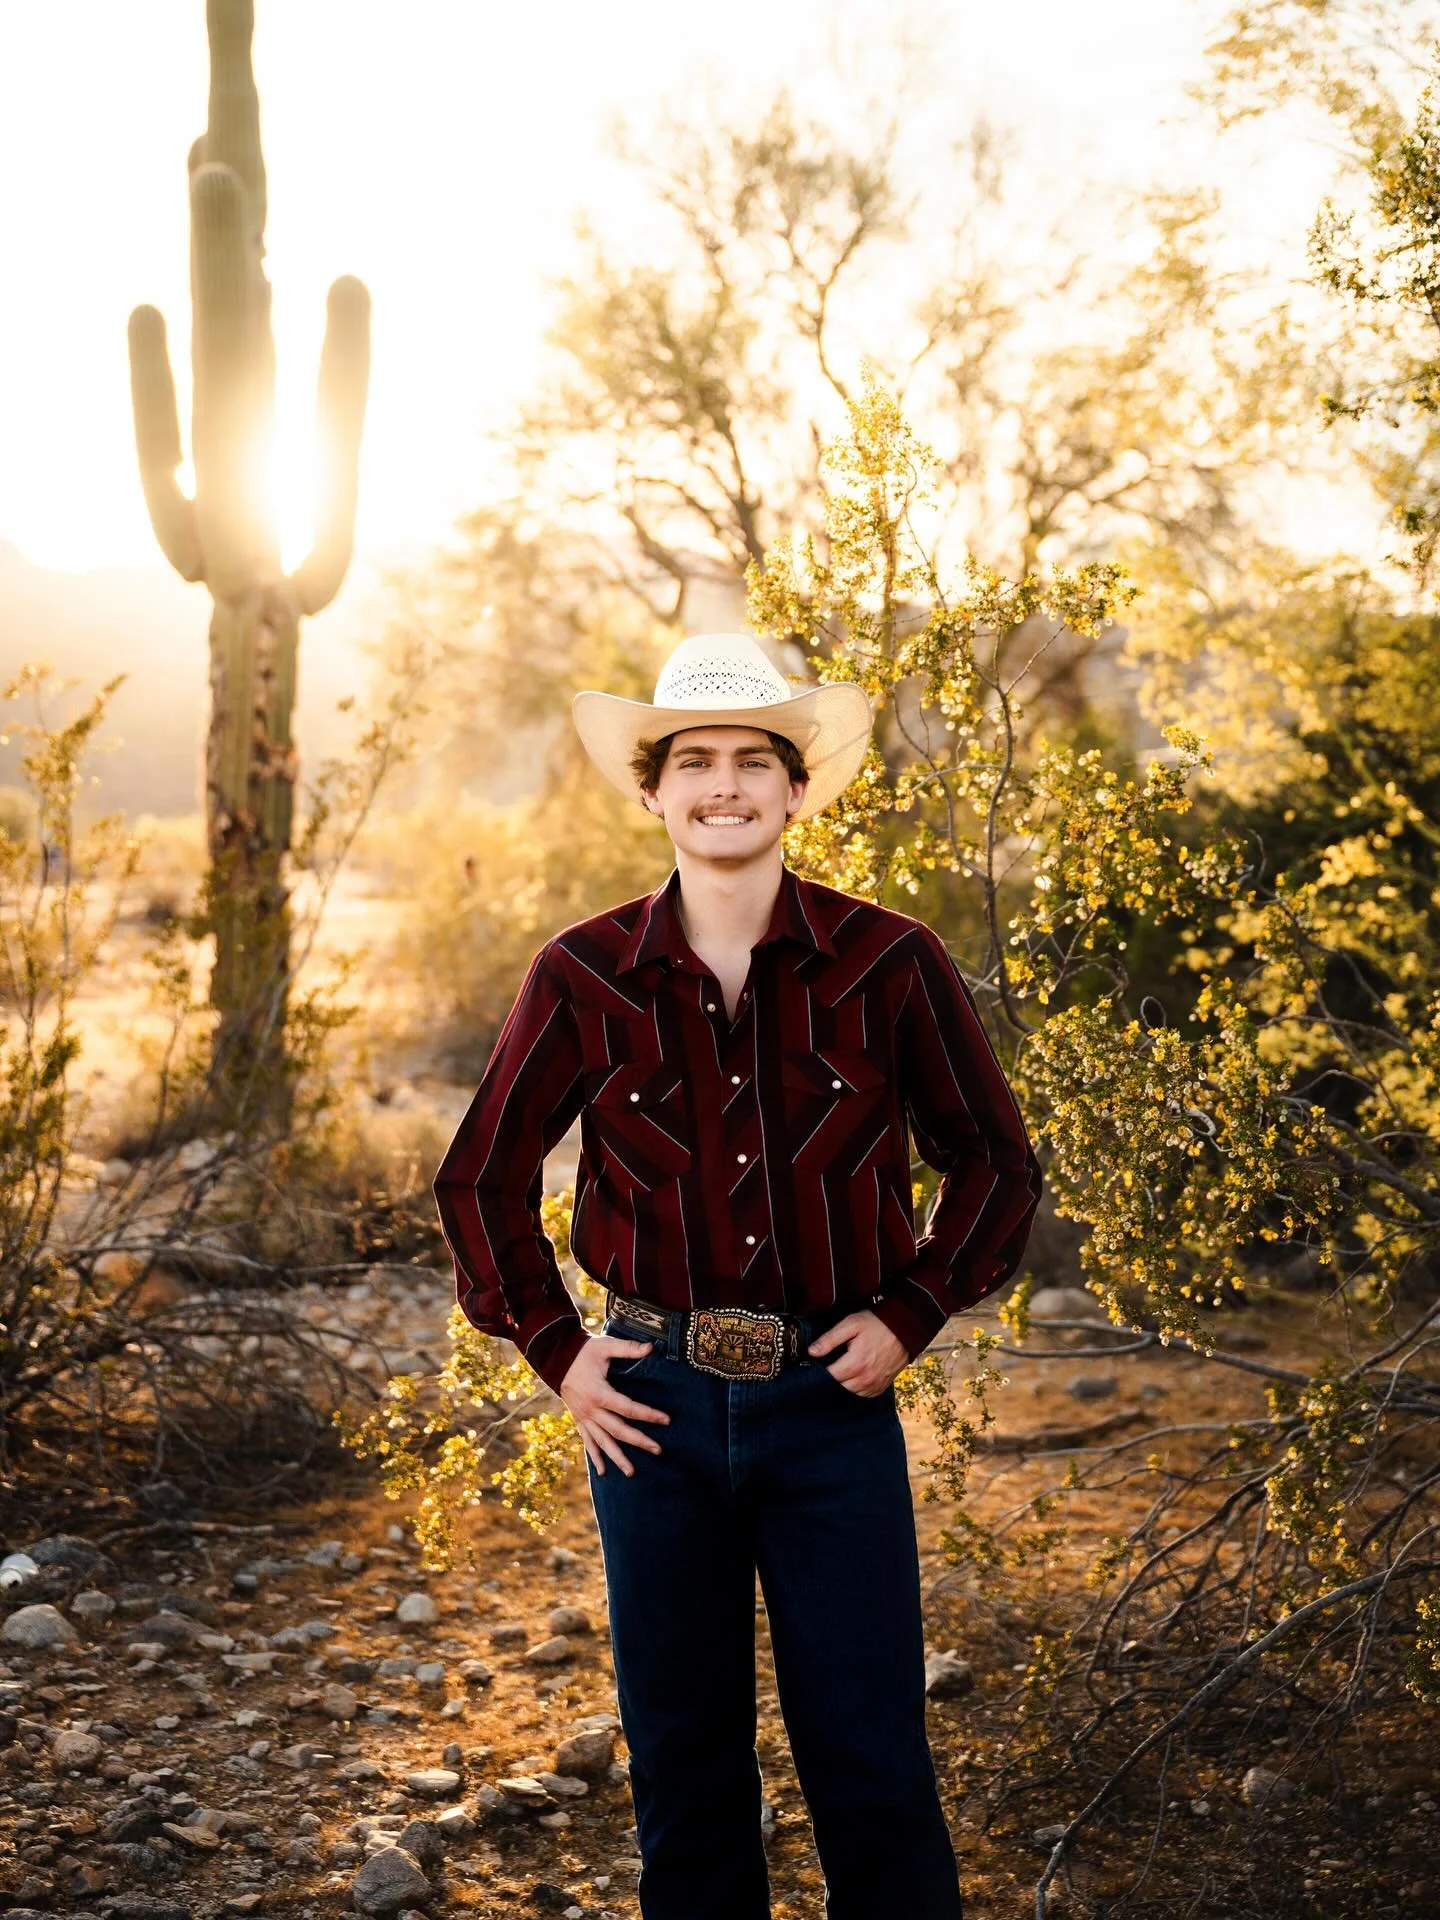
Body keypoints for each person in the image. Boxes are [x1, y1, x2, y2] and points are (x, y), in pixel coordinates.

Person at [434, 632, 1042, 1920]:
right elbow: (481, 1176)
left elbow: (993, 1159)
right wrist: (559, 1351)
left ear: (796, 788)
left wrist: (912, 1309)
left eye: (753, 761)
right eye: (693, 761)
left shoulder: (890, 962)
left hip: (833, 1405)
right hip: (647, 1410)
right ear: (651, 791)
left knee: (871, 1759)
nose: (724, 786)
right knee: (686, 1768)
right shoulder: (582, 974)